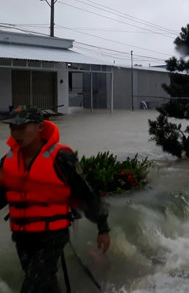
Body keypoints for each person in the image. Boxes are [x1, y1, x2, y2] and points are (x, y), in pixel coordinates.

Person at [0, 106, 110, 293]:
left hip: (52, 236)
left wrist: (103, 227)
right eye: (12, 127)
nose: (16, 133)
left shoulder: (61, 158)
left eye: (22, 127)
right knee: (43, 283)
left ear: (40, 128)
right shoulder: (7, 161)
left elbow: (86, 195)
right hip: (22, 237)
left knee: (33, 286)